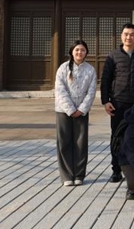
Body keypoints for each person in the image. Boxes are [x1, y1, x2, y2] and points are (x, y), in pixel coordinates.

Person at [101, 23, 134, 183]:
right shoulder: (113, 56)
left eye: (132, 34)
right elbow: (106, 79)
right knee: (117, 136)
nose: (129, 37)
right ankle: (116, 170)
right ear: (121, 36)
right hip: (118, 102)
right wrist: (106, 101)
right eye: (126, 34)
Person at [54, 40, 97, 187]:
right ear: (72, 52)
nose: (79, 52)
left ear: (86, 52)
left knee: (80, 142)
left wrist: (82, 109)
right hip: (63, 111)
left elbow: (91, 92)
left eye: (83, 50)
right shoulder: (63, 68)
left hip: (82, 112)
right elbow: (60, 90)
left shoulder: (90, 70)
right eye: (77, 50)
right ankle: (67, 175)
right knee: (64, 142)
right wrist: (71, 109)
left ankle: (79, 174)